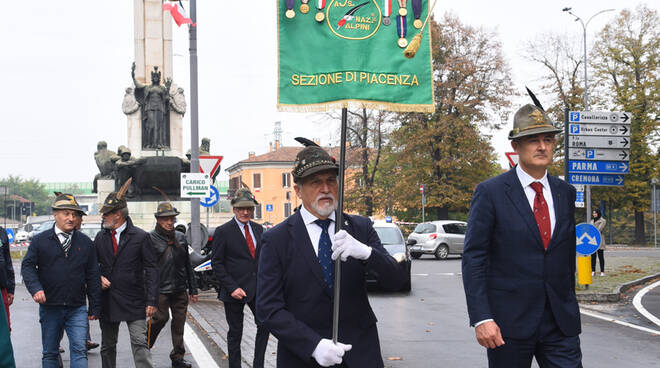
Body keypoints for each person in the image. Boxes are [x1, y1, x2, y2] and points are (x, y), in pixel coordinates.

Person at [256, 146, 407, 367]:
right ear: (298, 190)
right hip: (303, 357)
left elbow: (396, 280)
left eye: (331, 180)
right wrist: (313, 345)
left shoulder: (360, 228)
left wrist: (366, 253)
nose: (325, 188)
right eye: (315, 182)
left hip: (360, 354)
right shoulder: (277, 239)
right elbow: (268, 309)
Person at [462, 101, 582, 367]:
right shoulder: (491, 193)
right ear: (516, 147)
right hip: (508, 325)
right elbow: (474, 258)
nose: (542, 146)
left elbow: (563, 256)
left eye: (548, 140)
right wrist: (482, 318)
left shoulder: (565, 193)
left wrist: (570, 306)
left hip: (560, 324)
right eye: (533, 140)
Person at [21, 193, 101, 368]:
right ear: (55, 214)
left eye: (74, 214)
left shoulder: (86, 243)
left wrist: (94, 305)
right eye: (66, 213)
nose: (71, 218)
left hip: (77, 308)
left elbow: (93, 275)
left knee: (79, 351)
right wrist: (36, 289)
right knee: (50, 353)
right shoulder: (40, 241)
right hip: (50, 307)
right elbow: (27, 267)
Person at [95, 179, 159, 368]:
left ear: (118, 215)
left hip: (135, 299)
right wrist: (98, 277)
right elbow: (91, 266)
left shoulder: (140, 237)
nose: (103, 217)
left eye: (107, 214)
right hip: (108, 300)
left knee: (140, 343)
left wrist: (152, 300)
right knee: (107, 346)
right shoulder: (100, 237)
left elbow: (152, 269)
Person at [211, 188, 270, 368]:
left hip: (257, 289)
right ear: (234, 209)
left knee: (265, 326)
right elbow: (217, 263)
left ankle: (258, 364)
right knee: (235, 332)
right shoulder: (223, 231)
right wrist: (232, 287)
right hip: (234, 290)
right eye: (241, 208)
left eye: (249, 209)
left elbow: (263, 260)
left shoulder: (259, 229)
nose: (245, 212)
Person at [148, 201, 198, 368]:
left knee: (179, 323)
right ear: (158, 220)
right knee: (159, 320)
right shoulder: (150, 238)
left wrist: (193, 288)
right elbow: (145, 268)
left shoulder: (181, 238)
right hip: (160, 289)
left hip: (179, 289)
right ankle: (144, 348)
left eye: (171, 219)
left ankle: (177, 357)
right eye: (165, 219)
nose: (169, 222)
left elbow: (187, 265)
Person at [71, 209, 100, 351]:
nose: (81, 221)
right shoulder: (51, 238)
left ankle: (85, 339)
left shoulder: (83, 240)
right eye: (80, 218)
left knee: (80, 314)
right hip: (56, 293)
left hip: (79, 289)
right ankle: (55, 345)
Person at [0, 225, 14, 331]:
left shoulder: (2, 232)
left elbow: (8, 261)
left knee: (4, 328)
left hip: (2, 288)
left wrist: (11, 289)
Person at [590, 209, 607, 276]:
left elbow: (599, 229)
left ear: (598, 213)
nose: (594, 214)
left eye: (595, 213)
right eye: (593, 213)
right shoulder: (591, 221)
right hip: (592, 241)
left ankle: (602, 271)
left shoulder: (603, 221)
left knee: (601, 256)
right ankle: (593, 271)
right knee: (593, 256)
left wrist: (593, 231)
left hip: (599, 240)